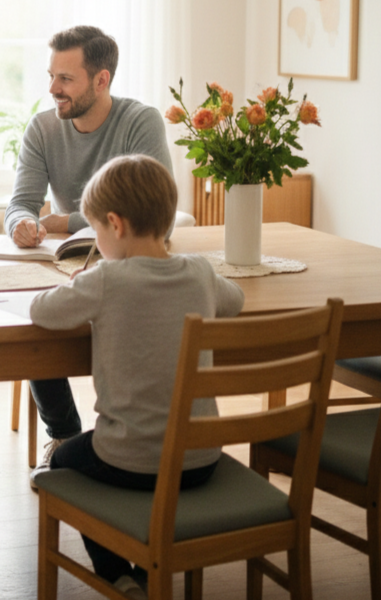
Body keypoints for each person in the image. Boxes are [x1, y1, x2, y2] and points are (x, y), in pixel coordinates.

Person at [30, 155, 244, 599]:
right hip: (201, 459)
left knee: (61, 461)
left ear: (115, 224)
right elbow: (235, 300)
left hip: (128, 460)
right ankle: (142, 565)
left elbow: (43, 311)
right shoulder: (200, 272)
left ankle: (119, 573)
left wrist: (82, 281)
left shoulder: (107, 279)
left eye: (96, 232)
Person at [3, 25, 174, 485]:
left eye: (66, 79)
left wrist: (66, 221)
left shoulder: (141, 122)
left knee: (42, 320)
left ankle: (116, 443)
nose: (53, 89)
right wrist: (21, 222)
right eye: (51, 75)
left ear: (102, 81)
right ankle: (64, 434)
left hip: (128, 263)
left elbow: (158, 213)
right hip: (69, 261)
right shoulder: (43, 128)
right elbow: (21, 201)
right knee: (37, 327)